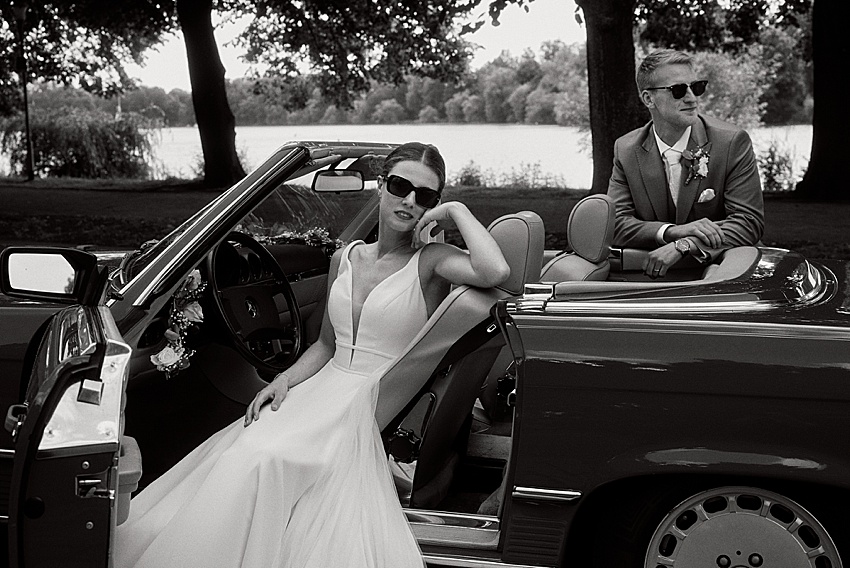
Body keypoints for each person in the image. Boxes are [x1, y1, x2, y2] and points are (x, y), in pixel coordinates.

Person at [115, 142, 510, 568]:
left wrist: (455, 212)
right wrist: (283, 380)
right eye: (400, 186)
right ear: (381, 187)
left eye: (425, 196)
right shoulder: (344, 257)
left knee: (268, 460)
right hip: (322, 385)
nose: (410, 201)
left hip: (368, 400)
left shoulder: (432, 261)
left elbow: (496, 272)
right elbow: (325, 345)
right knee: (241, 447)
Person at [607, 49, 764, 278]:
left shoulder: (731, 142)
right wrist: (671, 232)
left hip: (722, 276)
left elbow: (748, 222)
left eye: (696, 87)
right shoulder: (626, 149)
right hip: (654, 278)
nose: (692, 98)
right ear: (648, 99)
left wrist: (685, 244)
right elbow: (616, 223)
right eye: (678, 90)